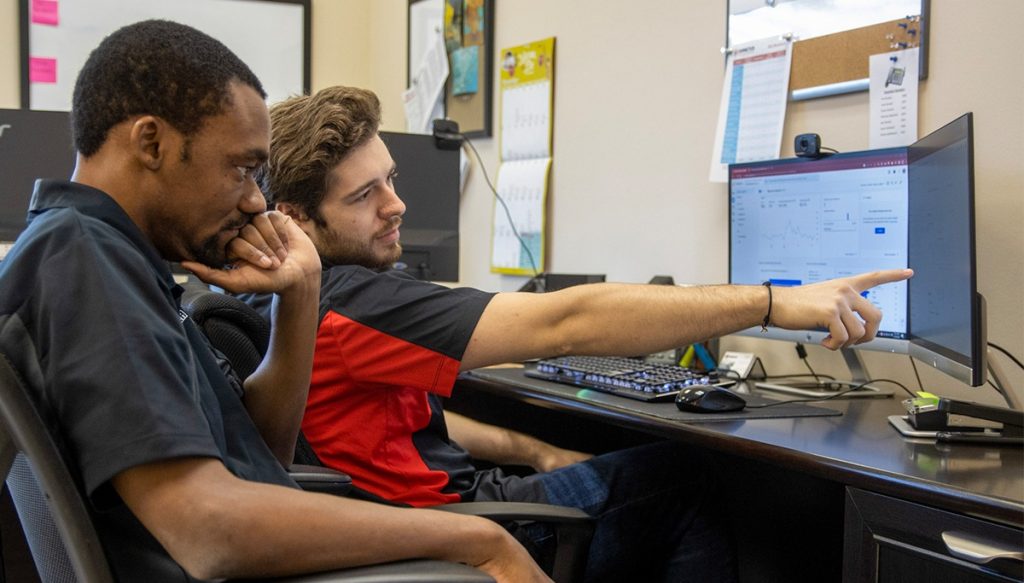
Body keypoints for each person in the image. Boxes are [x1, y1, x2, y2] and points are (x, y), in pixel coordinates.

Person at [252, 85, 914, 582]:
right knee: (683, 477)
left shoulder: (292, 295)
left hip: (404, 515)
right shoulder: (350, 301)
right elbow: (564, 323)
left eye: (391, 179)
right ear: (298, 217)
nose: (397, 203)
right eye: (365, 194)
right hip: (447, 532)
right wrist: (772, 302)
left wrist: (532, 447)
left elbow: (397, 428)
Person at [0, 22, 551, 583]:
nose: (255, 198)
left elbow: (262, 461)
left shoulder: (102, 255)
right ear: (151, 143)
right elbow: (208, 528)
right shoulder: (84, 260)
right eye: (241, 168)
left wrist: (301, 291)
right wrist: (476, 537)